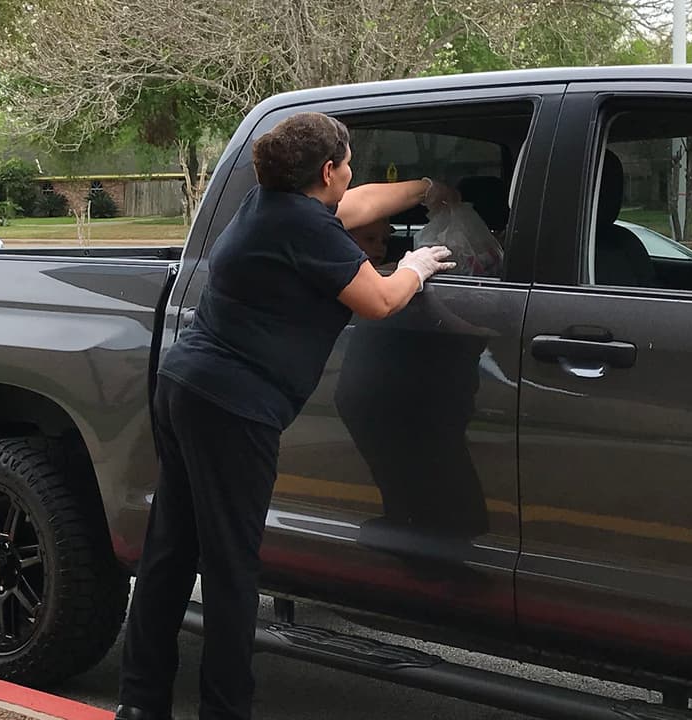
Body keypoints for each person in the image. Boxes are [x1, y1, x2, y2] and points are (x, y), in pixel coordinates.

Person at [115, 111, 457, 720]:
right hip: (233, 409)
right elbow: (379, 301)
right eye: (347, 164)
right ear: (327, 171)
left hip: (184, 386)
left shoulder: (268, 206)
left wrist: (427, 191)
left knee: (170, 553)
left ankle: (141, 704)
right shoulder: (308, 228)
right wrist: (416, 265)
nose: (351, 178)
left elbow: (359, 203)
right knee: (230, 569)